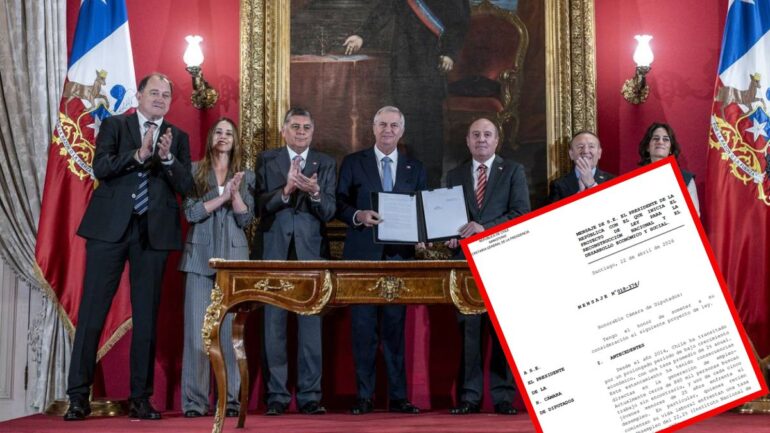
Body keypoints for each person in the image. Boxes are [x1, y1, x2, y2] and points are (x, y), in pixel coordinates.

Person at [64, 73, 193, 421]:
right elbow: (100, 167)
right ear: (139, 95)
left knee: (147, 317)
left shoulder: (177, 137)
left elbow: (186, 186)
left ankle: (140, 398)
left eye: (166, 95)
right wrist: (138, 154)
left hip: (153, 234)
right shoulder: (115, 126)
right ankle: (78, 396)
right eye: (154, 93)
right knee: (92, 312)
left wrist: (167, 159)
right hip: (109, 229)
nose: (160, 99)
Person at [336, 106, 426, 415]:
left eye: (394, 126)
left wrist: (422, 232)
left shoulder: (415, 168)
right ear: (373, 128)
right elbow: (339, 203)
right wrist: (358, 215)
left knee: (395, 331)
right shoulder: (353, 162)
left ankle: (398, 398)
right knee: (363, 331)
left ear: (402, 131)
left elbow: (423, 208)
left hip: (399, 258)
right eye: (382, 125)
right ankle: (365, 397)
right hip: (362, 259)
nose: (388, 130)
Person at [445, 118, 530, 415]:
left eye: (487, 134)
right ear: (468, 141)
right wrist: (449, 236)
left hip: (501, 259)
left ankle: (503, 398)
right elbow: (448, 218)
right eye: (476, 134)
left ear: (497, 140)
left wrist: (485, 228)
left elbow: (521, 213)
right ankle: (469, 397)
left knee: (500, 332)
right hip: (465, 265)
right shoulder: (454, 175)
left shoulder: (514, 171)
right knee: (469, 333)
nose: (481, 139)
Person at [254, 108, 336, 416]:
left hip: (310, 254)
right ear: (284, 130)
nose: (301, 131)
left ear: (313, 131)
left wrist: (315, 193)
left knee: (310, 329)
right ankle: (276, 396)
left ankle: (310, 396)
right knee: (273, 327)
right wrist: (287, 190)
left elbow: (329, 211)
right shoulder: (267, 160)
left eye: (306, 127)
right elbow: (258, 206)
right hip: (274, 252)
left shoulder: (325, 163)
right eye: (295, 126)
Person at [343, 0, 470, 187]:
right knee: (410, 130)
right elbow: (385, 9)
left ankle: (431, 184)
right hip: (404, 63)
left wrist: (450, 52)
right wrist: (362, 35)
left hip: (433, 61)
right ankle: (413, 182)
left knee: (431, 128)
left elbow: (459, 21)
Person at [178, 118, 254, 418]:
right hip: (199, 260)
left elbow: (245, 219)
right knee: (198, 335)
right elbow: (191, 213)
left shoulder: (246, 176)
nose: (223, 137)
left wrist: (234, 195)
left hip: (234, 262)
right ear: (211, 137)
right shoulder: (194, 171)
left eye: (229, 133)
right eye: (219, 132)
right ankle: (195, 402)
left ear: (235, 141)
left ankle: (231, 401)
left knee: (230, 336)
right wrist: (221, 197)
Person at [638, 122, 700, 216]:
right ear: (647, 147)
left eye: (666, 139)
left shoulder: (685, 179)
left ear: (671, 149)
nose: (660, 142)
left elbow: (695, 214)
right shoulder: (635, 182)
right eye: (655, 138)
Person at [548, 130, 614, 203]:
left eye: (591, 146)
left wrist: (592, 185)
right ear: (571, 154)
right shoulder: (558, 184)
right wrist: (579, 194)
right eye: (580, 147)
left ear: (599, 153)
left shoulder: (612, 181)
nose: (585, 151)